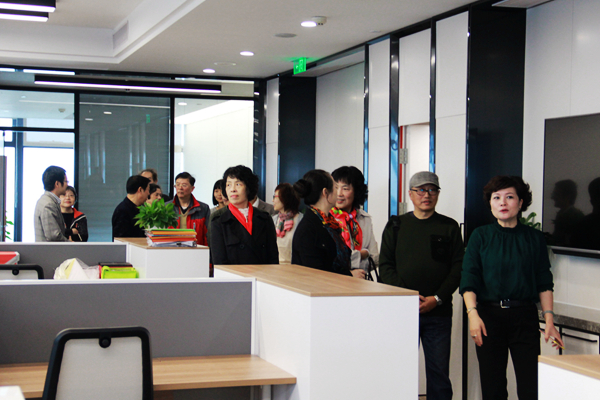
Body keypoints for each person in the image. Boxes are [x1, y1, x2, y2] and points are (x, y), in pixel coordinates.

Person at [460, 175, 563, 400]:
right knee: (493, 387)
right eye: (496, 198)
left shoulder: (534, 238)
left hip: (524, 317)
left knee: (530, 386)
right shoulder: (480, 236)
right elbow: (469, 279)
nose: (503, 203)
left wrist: (549, 320)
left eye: (509, 197)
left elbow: (544, 282)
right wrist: (472, 315)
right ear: (490, 203)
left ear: (521, 202)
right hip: (488, 317)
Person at [379, 171, 464, 400]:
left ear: (438, 194)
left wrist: (437, 298)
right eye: (421, 190)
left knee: (439, 375)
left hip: (439, 313)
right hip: (402, 311)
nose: (427, 195)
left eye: (432, 190)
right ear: (410, 194)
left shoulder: (449, 226)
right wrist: (408, 297)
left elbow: (458, 268)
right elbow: (385, 266)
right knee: (399, 371)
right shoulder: (396, 225)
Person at [292, 169, 363, 278]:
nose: (339, 193)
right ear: (325, 192)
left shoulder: (329, 223)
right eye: (335, 187)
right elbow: (315, 273)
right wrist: (349, 275)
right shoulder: (308, 229)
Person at [210, 165, 278, 265]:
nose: (232, 189)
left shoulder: (264, 218)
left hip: (261, 273)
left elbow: (273, 257)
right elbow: (219, 261)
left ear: (248, 187)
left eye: (238, 184)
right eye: (228, 185)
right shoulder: (219, 221)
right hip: (234, 274)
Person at [331, 166, 379, 274]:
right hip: (333, 280)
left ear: (356, 191)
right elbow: (331, 260)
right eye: (336, 187)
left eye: (345, 189)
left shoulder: (364, 219)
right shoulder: (327, 219)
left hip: (360, 280)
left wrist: (354, 264)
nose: (339, 193)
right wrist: (362, 254)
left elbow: (375, 258)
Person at [168, 172, 210, 246]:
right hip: (171, 249)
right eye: (177, 185)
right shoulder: (167, 207)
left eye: (184, 185)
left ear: (192, 188)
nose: (180, 188)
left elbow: (208, 235)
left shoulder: (203, 208)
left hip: (195, 250)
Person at [34, 165, 70, 242]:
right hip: (50, 250)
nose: (67, 185)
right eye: (66, 182)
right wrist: (71, 244)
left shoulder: (47, 200)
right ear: (57, 184)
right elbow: (54, 236)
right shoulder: (48, 204)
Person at [272, 183, 303, 264]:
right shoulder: (273, 220)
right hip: (274, 266)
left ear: (285, 198)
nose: (273, 200)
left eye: (275, 197)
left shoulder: (301, 220)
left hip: (295, 267)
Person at [112, 175, 150, 240]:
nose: (148, 193)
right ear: (140, 190)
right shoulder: (122, 211)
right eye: (147, 190)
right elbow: (121, 240)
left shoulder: (140, 208)